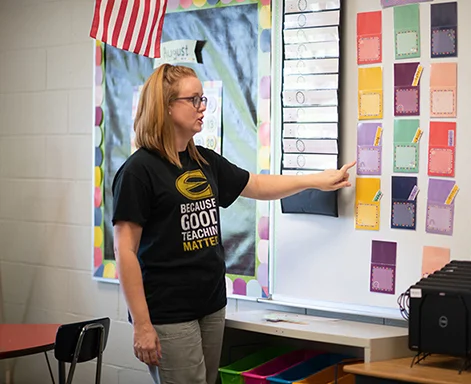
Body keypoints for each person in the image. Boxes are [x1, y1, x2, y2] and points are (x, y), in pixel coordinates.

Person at [111, 63, 355, 384]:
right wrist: (143, 325)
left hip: (210, 304)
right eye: (194, 99)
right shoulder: (139, 171)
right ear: (167, 107)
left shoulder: (204, 160)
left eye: (204, 99)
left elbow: (256, 185)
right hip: (168, 311)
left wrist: (316, 180)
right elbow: (125, 251)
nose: (202, 108)